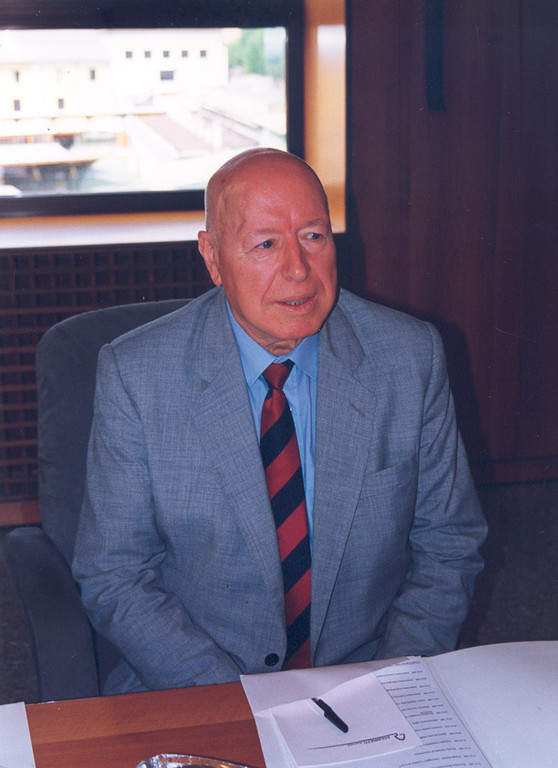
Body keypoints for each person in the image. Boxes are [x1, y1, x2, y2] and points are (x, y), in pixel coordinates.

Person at [72, 148, 487, 694]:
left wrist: (386, 687)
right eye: (266, 244)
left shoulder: (409, 358)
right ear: (213, 258)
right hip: (194, 685)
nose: (298, 268)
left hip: (366, 676)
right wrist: (238, 705)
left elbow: (449, 544)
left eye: (314, 235)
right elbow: (115, 574)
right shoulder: (137, 376)